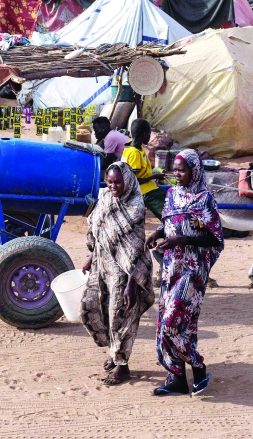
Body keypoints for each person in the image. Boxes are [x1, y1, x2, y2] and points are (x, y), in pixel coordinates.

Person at [146, 149, 223, 397]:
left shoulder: (205, 199)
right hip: (171, 268)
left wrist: (181, 240)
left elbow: (214, 238)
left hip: (193, 270)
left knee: (172, 323)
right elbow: (170, 221)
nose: (176, 174)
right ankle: (177, 378)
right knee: (180, 325)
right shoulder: (171, 194)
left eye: (182, 170)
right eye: (175, 170)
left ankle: (198, 366)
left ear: (194, 171)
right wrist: (158, 233)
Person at [80, 162, 155, 386]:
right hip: (102, 266)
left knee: (119, 317)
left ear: (128, 182)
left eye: (118, 182)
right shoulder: (105, 198)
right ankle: (114, 352)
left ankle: (123, 366)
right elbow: (100, 230)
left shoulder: (135, 208)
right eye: (110, 181)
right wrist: (92, 258)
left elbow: (136, 248)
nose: (113, 186)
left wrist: (132, 284)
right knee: (92, 308)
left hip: (125, 273)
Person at [121, 119, 166, 219]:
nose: (150, 137)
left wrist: (156, 170)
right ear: (145, 134)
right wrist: (154, 176)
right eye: (149, 134)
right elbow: (133, 181)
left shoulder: (135, 146)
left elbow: (143, 169)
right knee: (167, 208)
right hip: (143, 191)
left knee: (169, 195)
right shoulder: (134, 153)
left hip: (149, 187)